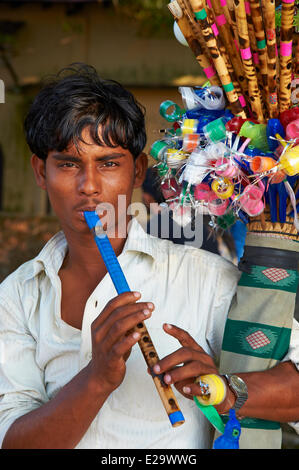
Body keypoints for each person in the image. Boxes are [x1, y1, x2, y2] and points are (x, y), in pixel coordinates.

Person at [0, 64, 298, 450]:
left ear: (138, 170)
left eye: (108, 163)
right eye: (68, 164)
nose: (88, 186)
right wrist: (97, 379)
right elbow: (12, 441)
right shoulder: (16, 297)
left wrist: (223, 390)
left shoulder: (204, 278)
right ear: (41, 172)